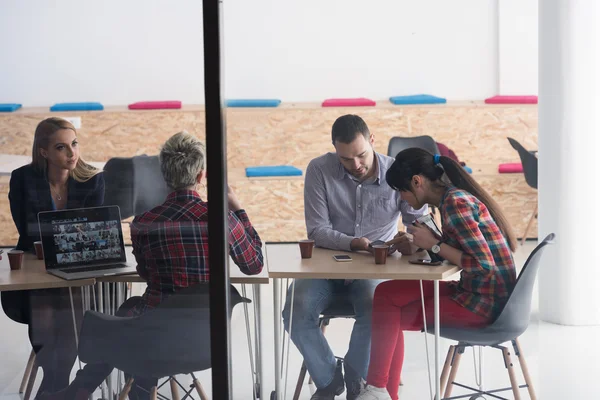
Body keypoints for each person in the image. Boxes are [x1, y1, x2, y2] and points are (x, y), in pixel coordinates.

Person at [40, 131, 264, 400]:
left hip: (153, 337)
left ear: (163, 177)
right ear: (201, 176)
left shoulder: (145, 222)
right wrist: (238, 209)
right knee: (136, 313)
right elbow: (254, 265)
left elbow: (147, 274)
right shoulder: (222, 219)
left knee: (131, 311)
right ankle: (123, 388)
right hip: (206, 341)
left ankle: (96, 389)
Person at [283, 115, 427, 400]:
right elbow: (317, 229)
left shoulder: (394, 174)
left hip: (374, 270)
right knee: (294, 312)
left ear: (372, 141)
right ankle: (329, 379)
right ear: (335, 149)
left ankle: (356, 378)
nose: (356, 165)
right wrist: (352, 243)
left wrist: (412, 239)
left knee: (378, 309)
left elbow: (417, 223)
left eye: (361, 155)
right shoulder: (319, 169)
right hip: (323, 267)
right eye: (346, 159)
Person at [355, 149, 518, 400]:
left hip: (484, 304)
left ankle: (377, 391)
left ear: (417, 182)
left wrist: (434, 245)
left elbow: (482, 265)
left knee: (388, 310)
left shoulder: (456, 203)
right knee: (386, 294)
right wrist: (422, 243)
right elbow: (464, 249)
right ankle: (381, 391)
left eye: (402, 190)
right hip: (477, 293)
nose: (402, 197)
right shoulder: (451, 199)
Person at [1, 117, 104, 397]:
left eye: (74, 144)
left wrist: (63, 239)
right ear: (44, 152)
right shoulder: (23, 178)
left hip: (76, 269)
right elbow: (27, 229)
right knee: (47, 317)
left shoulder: (92, 180)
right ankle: (58, 384)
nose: (72, 153)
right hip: (38, 267)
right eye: (61, 147)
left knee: (68, 312)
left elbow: (92, 234)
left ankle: (53, 388)